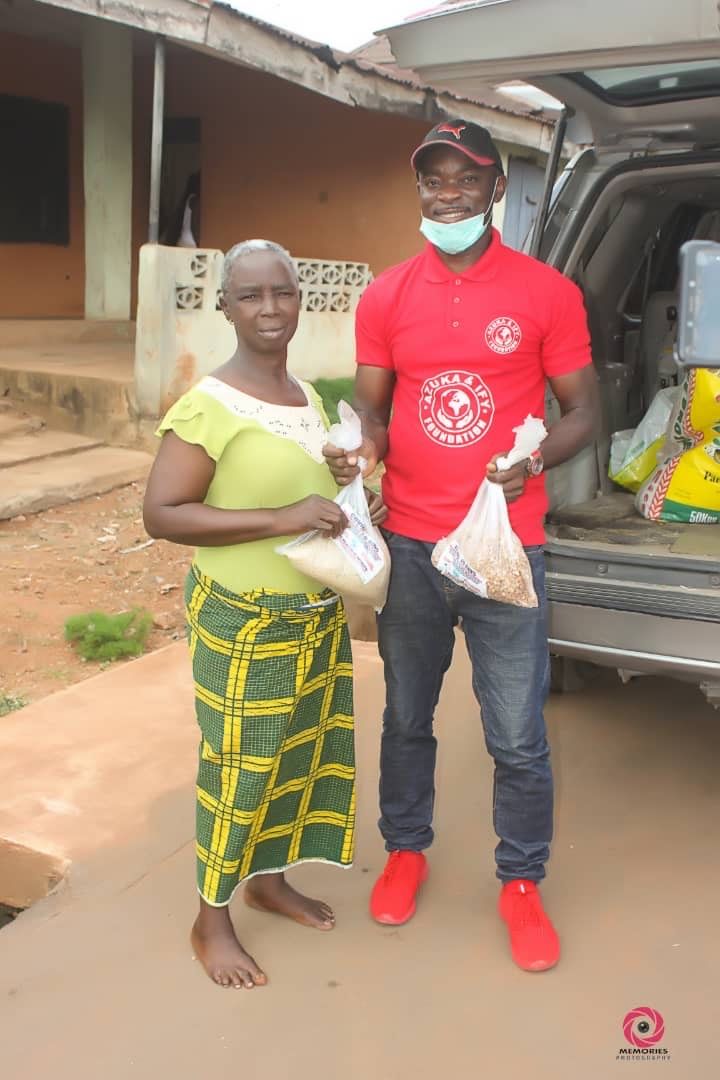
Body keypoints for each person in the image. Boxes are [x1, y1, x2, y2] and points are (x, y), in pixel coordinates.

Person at [323, 120, 600, 973]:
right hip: (409, 545)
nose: (447, 196)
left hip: (505, 549)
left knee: (516, 733)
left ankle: (521, 881)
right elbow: (372, 408)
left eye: (465, 181)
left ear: (495, 192)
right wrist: (361, 448)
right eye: (433, 182)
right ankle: (406, 850)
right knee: (406, 717)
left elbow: (586, 415)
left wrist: (534, 458)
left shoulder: (546, 291)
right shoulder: (386, 295)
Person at [143, 239, 385, 989]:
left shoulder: (308, 398)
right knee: (239, 768)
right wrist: (283, 513)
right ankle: (210, 918)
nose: (270, 308)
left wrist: (344, 470)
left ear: (299, 298)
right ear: (226, 307)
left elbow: (314, 490)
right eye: (250, 295)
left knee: (295, 758)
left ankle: (268, 881)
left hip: (309, 614)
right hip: (242, 618)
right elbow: (163, 513)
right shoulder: (207, 405)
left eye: (282, 292)